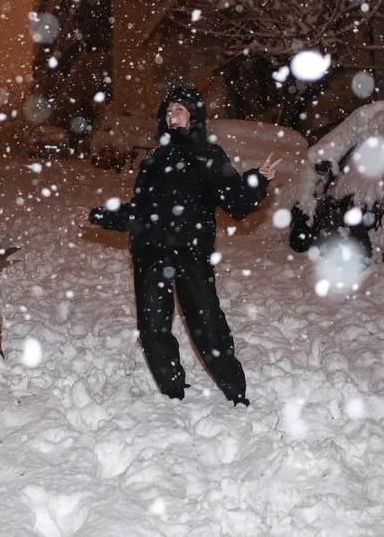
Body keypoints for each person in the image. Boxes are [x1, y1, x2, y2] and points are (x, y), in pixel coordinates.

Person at [83, 83, 279, 405]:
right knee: (152, 328)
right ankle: (172, 392)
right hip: (150, 253)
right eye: (169, 110)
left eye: (179, 109)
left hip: (190, 254)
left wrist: (256, 180)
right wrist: (98, 215)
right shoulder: (153, 161)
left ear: (194, 116)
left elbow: (235, 201)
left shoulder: (208, 155)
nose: (172, 116)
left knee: (208, 325)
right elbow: (137, 210)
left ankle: (235, 391)